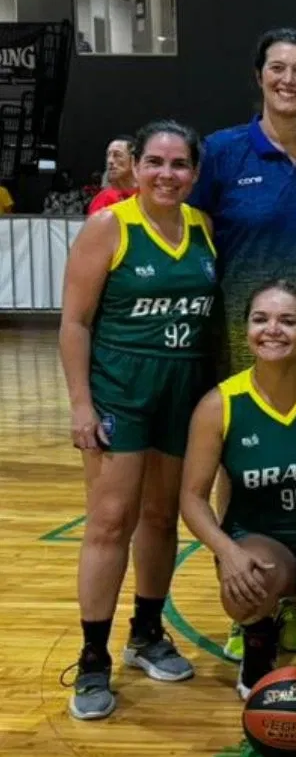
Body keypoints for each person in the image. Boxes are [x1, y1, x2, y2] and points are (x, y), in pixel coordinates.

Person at [192, 27, 296, 661]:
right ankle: (253, 595)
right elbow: (194, 241)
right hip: (244, 329)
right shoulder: (223, 153)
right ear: (259, 76)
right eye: (278, 68)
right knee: (243, 461)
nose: (289, 80)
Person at [58, 121, 215, 720]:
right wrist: (80, 404)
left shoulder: (203, 229)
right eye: (155, 162)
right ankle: (93, 657)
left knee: (160, 516)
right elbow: (74, 322)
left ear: (195, 174)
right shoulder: (109, 227)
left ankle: (147, 631)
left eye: (179, 165)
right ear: (137, 166)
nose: (166, 174)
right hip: (121, 393)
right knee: (109, 521)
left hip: (182, 394)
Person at [180, 280, 296, 697]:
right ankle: (259, 637)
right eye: (260, 319)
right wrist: (226, 552)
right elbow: (191, 499)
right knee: (245, 588)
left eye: (288, 320)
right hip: (260, 537)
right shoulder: (220, 403)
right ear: (245, 328)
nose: (273, 330)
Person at [87, 136, 137, 216]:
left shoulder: (148, 197)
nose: (110, 161)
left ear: (134, 160)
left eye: (117, 155)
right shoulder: (103, 200)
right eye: (108, 155)